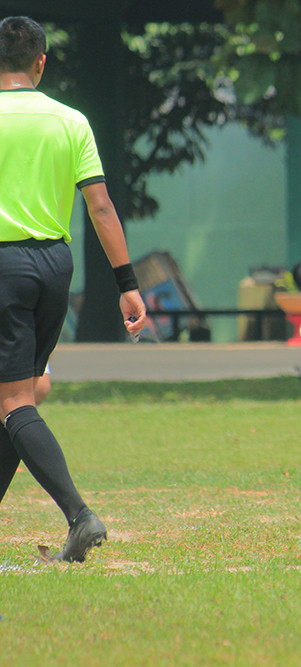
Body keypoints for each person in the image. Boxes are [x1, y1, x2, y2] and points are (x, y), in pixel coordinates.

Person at [0, 17, 146, 563]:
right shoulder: (70, 120)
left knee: (14, 400)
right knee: (23, 394)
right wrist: (126, 284)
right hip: (55, 266)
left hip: (4, 264)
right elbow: (101, 206)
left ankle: (79, 516)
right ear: (40, 62)